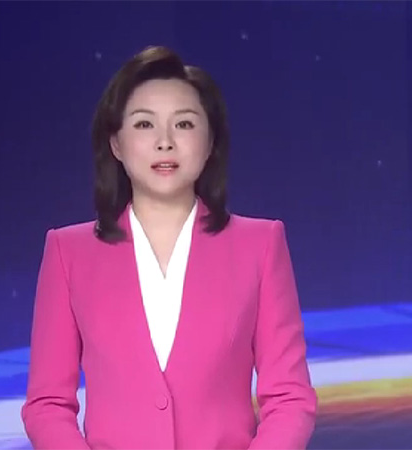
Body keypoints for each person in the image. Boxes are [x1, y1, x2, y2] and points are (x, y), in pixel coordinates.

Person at [21, 45, 317, 449]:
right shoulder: (67, 252)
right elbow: (47, 404)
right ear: (116, 143)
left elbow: (289, 398)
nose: (165, 142)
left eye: (184, 124)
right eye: (144, 124)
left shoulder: (261, 245)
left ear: (210, 142)